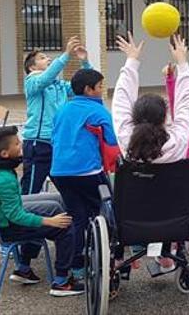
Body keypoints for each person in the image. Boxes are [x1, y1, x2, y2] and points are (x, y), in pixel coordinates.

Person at [113, 33, 189, 271]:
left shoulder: (126, 140)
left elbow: (120, 99)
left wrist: (131, 61)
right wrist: (182, 62)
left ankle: (119, 257)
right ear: (165, 118)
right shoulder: (180, 138)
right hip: (175, 216)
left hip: (133, 217)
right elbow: (187, 102)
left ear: (133, 118)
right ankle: (169, 253)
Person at [0, 126, 82, 296]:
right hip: (7, 227)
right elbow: (16, 216)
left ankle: (24, 269)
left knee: (56, 201)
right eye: (16, 143)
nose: (21, 145)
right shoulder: (3, 179)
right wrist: (49, 221)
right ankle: (61, 282)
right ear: (4, 154)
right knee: (63, 225)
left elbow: (12, 208)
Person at [49, 67, 119, 280]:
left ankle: (76, 265)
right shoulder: (98, 111)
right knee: (107, 209)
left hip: (59, 171)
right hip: (86, 171)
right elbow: (113, 141)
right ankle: (112, 255)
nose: (102, 89)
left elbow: (55, 136)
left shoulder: (63, 109)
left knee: (76, 216)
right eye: (99, 86)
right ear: (89, 90)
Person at [21, 36, 91, 195]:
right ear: (32, 68)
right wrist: (66, 54)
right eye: (42, 57)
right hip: (38, 143)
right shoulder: (32, 82)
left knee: (67, 185)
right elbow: (45, 78)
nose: (48, 59)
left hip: (58, 142)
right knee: (30, 189)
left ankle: (73, 216)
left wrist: (84, 62)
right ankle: (21, 219)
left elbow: (85, 86)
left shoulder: (60, 85)